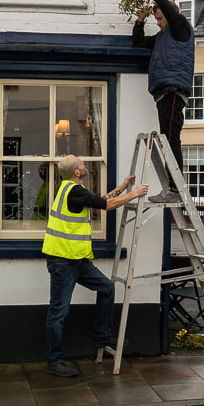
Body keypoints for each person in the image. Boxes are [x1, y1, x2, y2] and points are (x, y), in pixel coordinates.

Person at [42, 155, 148, 378]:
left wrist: (122, 187)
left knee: (107, 288)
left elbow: (100, 200)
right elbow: (107, 205)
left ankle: (102, 335)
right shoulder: (73, 190)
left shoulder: (70, 189)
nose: (84, 164)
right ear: (77, 172)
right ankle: (54, 362)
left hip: (77, 259)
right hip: (63, 261)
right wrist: (135, 193)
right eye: (80, 163)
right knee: (58, 313)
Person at [131, 0, 195, 204]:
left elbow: (162, 1)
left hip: (172, 91)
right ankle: (173, 186)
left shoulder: (181, 27)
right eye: (156, 19)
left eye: (159, 18)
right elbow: (138, 43)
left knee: (171, 140)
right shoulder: (161, 38)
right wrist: (140, 19)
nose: (157, 22)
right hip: (163, 93)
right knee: (169, 139)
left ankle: (175, 189)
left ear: (169, 15)